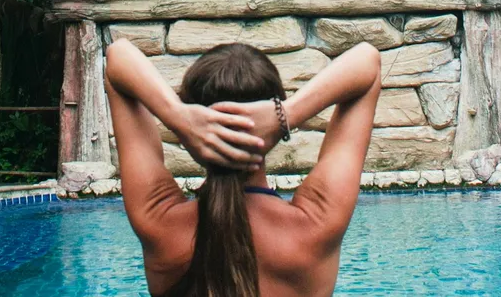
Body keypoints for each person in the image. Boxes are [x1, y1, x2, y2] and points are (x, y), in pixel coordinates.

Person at [104, 36, 381, 297]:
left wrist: (178, 117)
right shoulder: (317, 223)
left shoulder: (158, 221)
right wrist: (285, 115)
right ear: (269, 130)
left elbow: (118, 58)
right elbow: (367, 62)